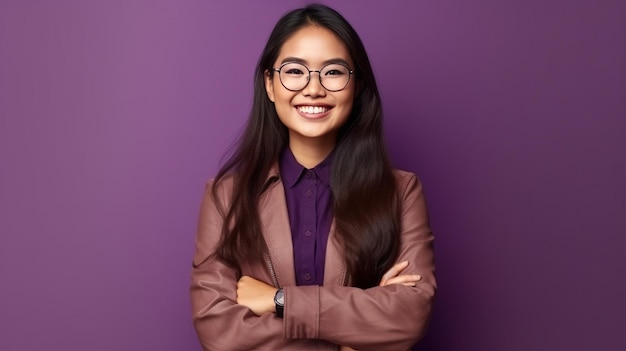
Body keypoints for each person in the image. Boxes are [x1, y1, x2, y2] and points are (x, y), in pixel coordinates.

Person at [190, 4, 435, 350]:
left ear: (357, 86)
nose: (313, 89)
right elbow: (219, 333)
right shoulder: (224, 197)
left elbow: (409, 315)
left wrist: (279, 301)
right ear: (270, 84)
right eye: (295, 71)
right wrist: (355, 330)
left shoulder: (400, 192)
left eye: (333, 72)